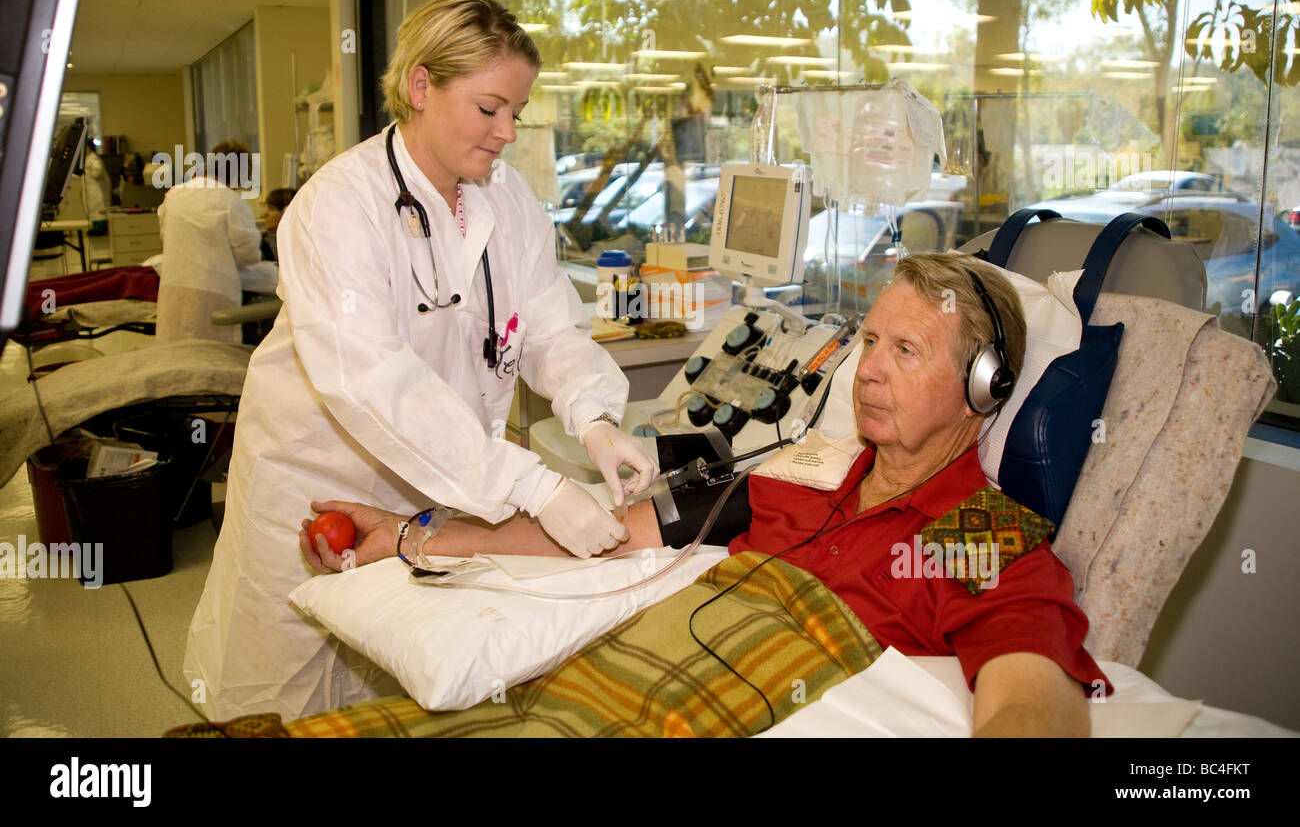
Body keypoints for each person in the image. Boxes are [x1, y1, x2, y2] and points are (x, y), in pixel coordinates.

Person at [303, 252, 1108, 736]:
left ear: (984, 388)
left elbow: (1031, 702)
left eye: (906, 349)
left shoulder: (976, 535)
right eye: (868, 342)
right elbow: (608, 534)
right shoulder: (804, 471)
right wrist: (412, 535)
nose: (868, 370)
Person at [184, 0, 656, 722]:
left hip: (440, 490)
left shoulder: (509, 202)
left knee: (406, 689)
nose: (507, 133)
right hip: (317, 481)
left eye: (517, 113)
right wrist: (534, 488)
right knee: (280, 699)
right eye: (490, 108)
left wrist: (593, 418)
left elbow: (549, 326)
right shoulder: (340, 206)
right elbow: (373, 380)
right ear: (421, 87)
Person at [154, 140, 262, 344]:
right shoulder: (230, 201)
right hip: (215, 289)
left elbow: (166, 236)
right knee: (216, 355)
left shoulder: (174, 194)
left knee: (175, 351)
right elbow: (248, 255)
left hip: (173, 286)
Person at [259, 187, 296, 261]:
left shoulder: (295, 243)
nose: (265, 214)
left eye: (271, 209)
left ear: (286, 212)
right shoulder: (263, 240)